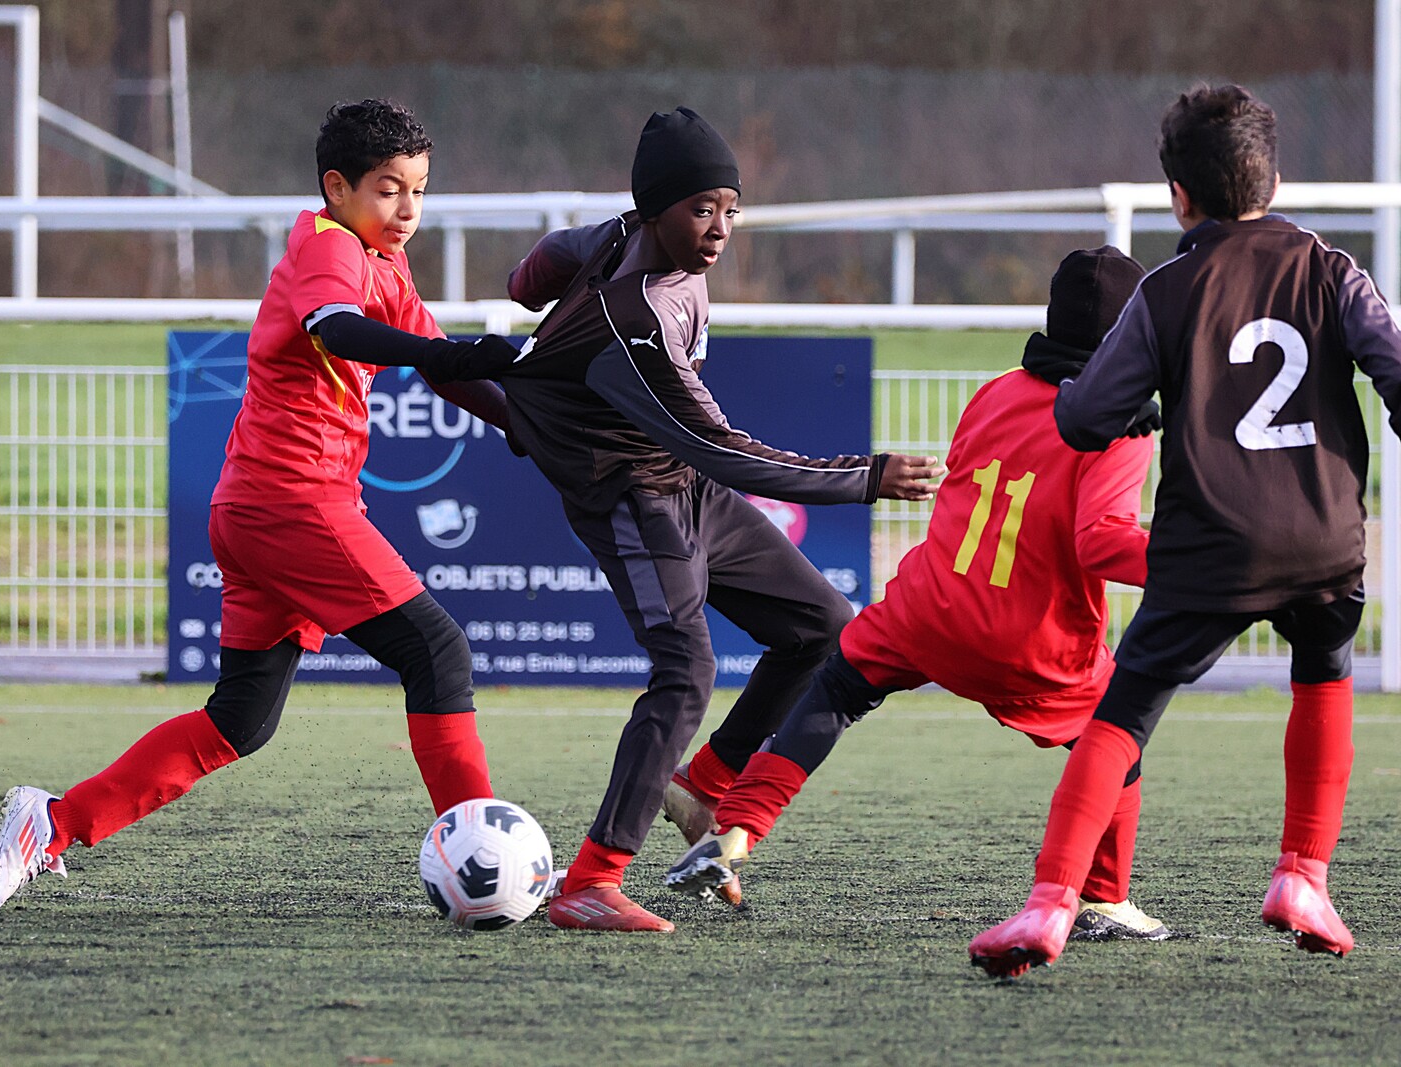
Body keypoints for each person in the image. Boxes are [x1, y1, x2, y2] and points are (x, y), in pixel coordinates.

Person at [0, 99, 523, 913]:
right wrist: (461, 356)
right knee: (437, 653)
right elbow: (338, 328)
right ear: (336, 188)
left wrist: (521, 423)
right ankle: (482, 854)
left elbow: (441, 364)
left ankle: (52, 821)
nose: (408, 208)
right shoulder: (330, 246)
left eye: (419, 190)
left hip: (258, 509)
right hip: (292, 503)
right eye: (388, 189)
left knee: (240, 719)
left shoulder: (381, 257)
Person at [968, 83, 1401, 978]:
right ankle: (1303, 876)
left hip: (1210, 545)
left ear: (1178, 196)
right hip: (1323, 540)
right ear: (1272, 180)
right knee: (1324, 675)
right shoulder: (1330, 268)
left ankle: (1052, 903)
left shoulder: (1165, 291)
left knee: (1124, 713)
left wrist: (1126, 398)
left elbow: (1085, 417)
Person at [497, 106, 945, 932]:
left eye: (731, 209)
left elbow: (540, 266)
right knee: (686, 669)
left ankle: (701, 784)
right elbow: (728, 452)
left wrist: (531, 287)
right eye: (702, 208)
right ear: (656, 209)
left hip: (688, 487)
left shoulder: (621, 234)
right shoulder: (635, 319)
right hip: (636, 498)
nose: (720, 228)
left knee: (822, 627)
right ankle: (591, 880)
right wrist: (866, 476)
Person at [664, 246, 1174, 943]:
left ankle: (734, 831)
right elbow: (1103, 544)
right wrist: (1202, 564)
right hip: (1028, 637)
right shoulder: (1119, 427)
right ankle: (1105, 899)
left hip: (926, 607)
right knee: (1117, 738)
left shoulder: (998, 390)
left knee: (835, 689)